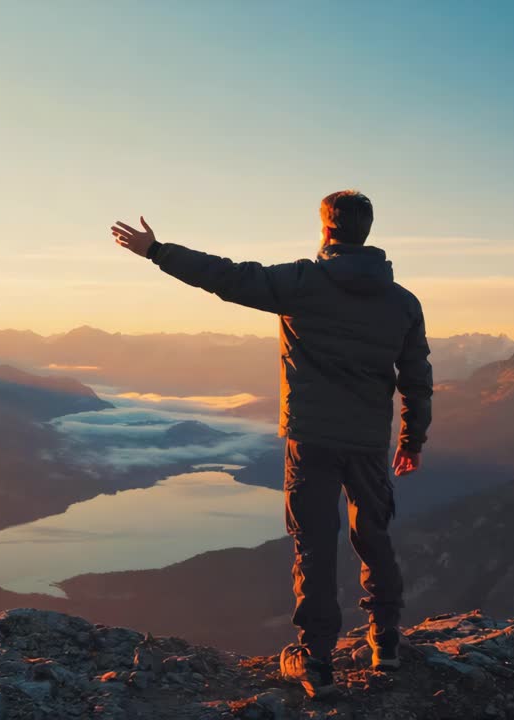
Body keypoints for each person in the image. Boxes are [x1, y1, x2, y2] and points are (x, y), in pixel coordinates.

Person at [111, 190, 432, 698]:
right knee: (373, 534)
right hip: (369, 441)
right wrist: (412, 439)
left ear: (326, 230)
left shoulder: (302, 282)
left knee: (315, 543)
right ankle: (385, 640)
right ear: (367, 232)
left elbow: (228, 276)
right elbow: (416, 377)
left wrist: (157, 251)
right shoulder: (403, 303)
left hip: (311, 439)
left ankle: (318, 661)